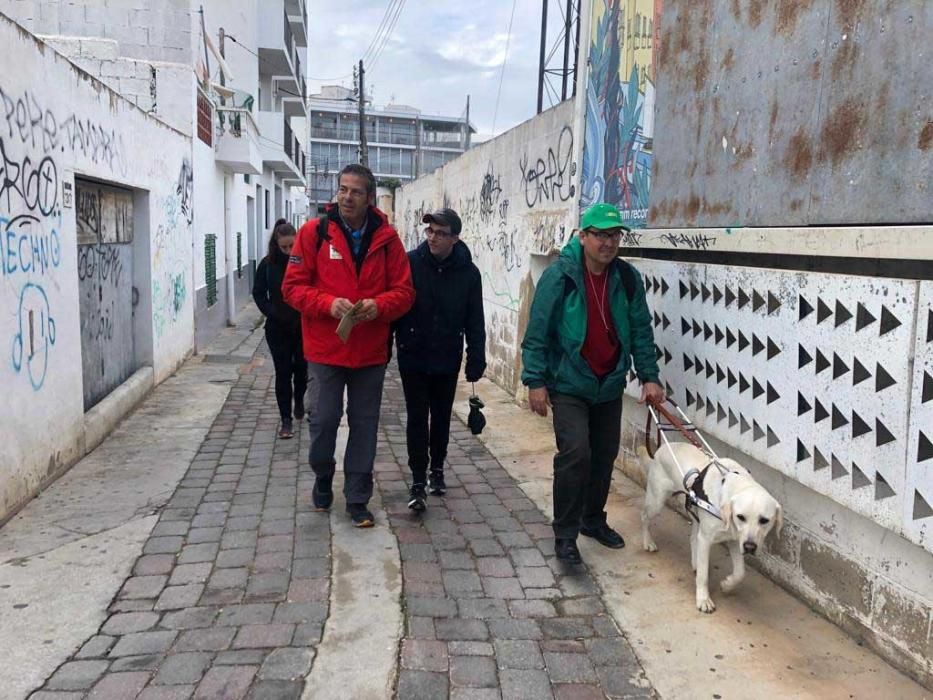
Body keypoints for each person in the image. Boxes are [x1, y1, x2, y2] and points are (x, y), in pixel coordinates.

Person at [521, 202, 664, 564]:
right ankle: (565, 534)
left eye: (615, 235)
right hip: (569, 381)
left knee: (603, 455)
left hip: (609, 383)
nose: (608, 242)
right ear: (583, 236)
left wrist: (649, 376)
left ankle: (592, 519)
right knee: (575, 454)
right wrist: (535, 381)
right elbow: (537, 332)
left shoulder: (628, 279)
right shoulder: (561, 276)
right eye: (600, 234)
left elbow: (641, 331)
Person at [282, 164, 414, 528]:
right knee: (323, 420)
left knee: (365, 425)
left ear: (370, 198)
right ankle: (323, 474)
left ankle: (358, 496)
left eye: (355, 191)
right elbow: (291, 289)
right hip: (325, 350)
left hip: (370, 352)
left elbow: (404, 294)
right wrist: (327, 303)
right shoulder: (314, 233)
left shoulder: (388, 239)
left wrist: (378, 306)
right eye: (342, 189)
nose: (346, 197)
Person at [394, 208, 486, 513]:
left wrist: (476, 356)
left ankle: (437, 469)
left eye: (440, 233)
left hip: (447, 356)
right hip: (413, 355)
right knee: (417, 418)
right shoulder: (409, 264)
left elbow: (475, 319)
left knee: (442, 417)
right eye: (430, 231)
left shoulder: (469, 274)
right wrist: (386, 346)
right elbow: (396, 307)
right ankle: (418, 479)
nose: (433, 237)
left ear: (455, 238)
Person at [252, 220, 306, 439]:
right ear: (276, 244)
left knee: (302, 370)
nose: (288, 251)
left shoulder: (304, 262)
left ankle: (300, 400)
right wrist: (271, 311)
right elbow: (258, 293)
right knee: (283, 373)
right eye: (284, 247)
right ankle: (286, 420)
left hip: (302, 326)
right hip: (277, 328)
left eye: (292, 245)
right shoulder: (267, 264)